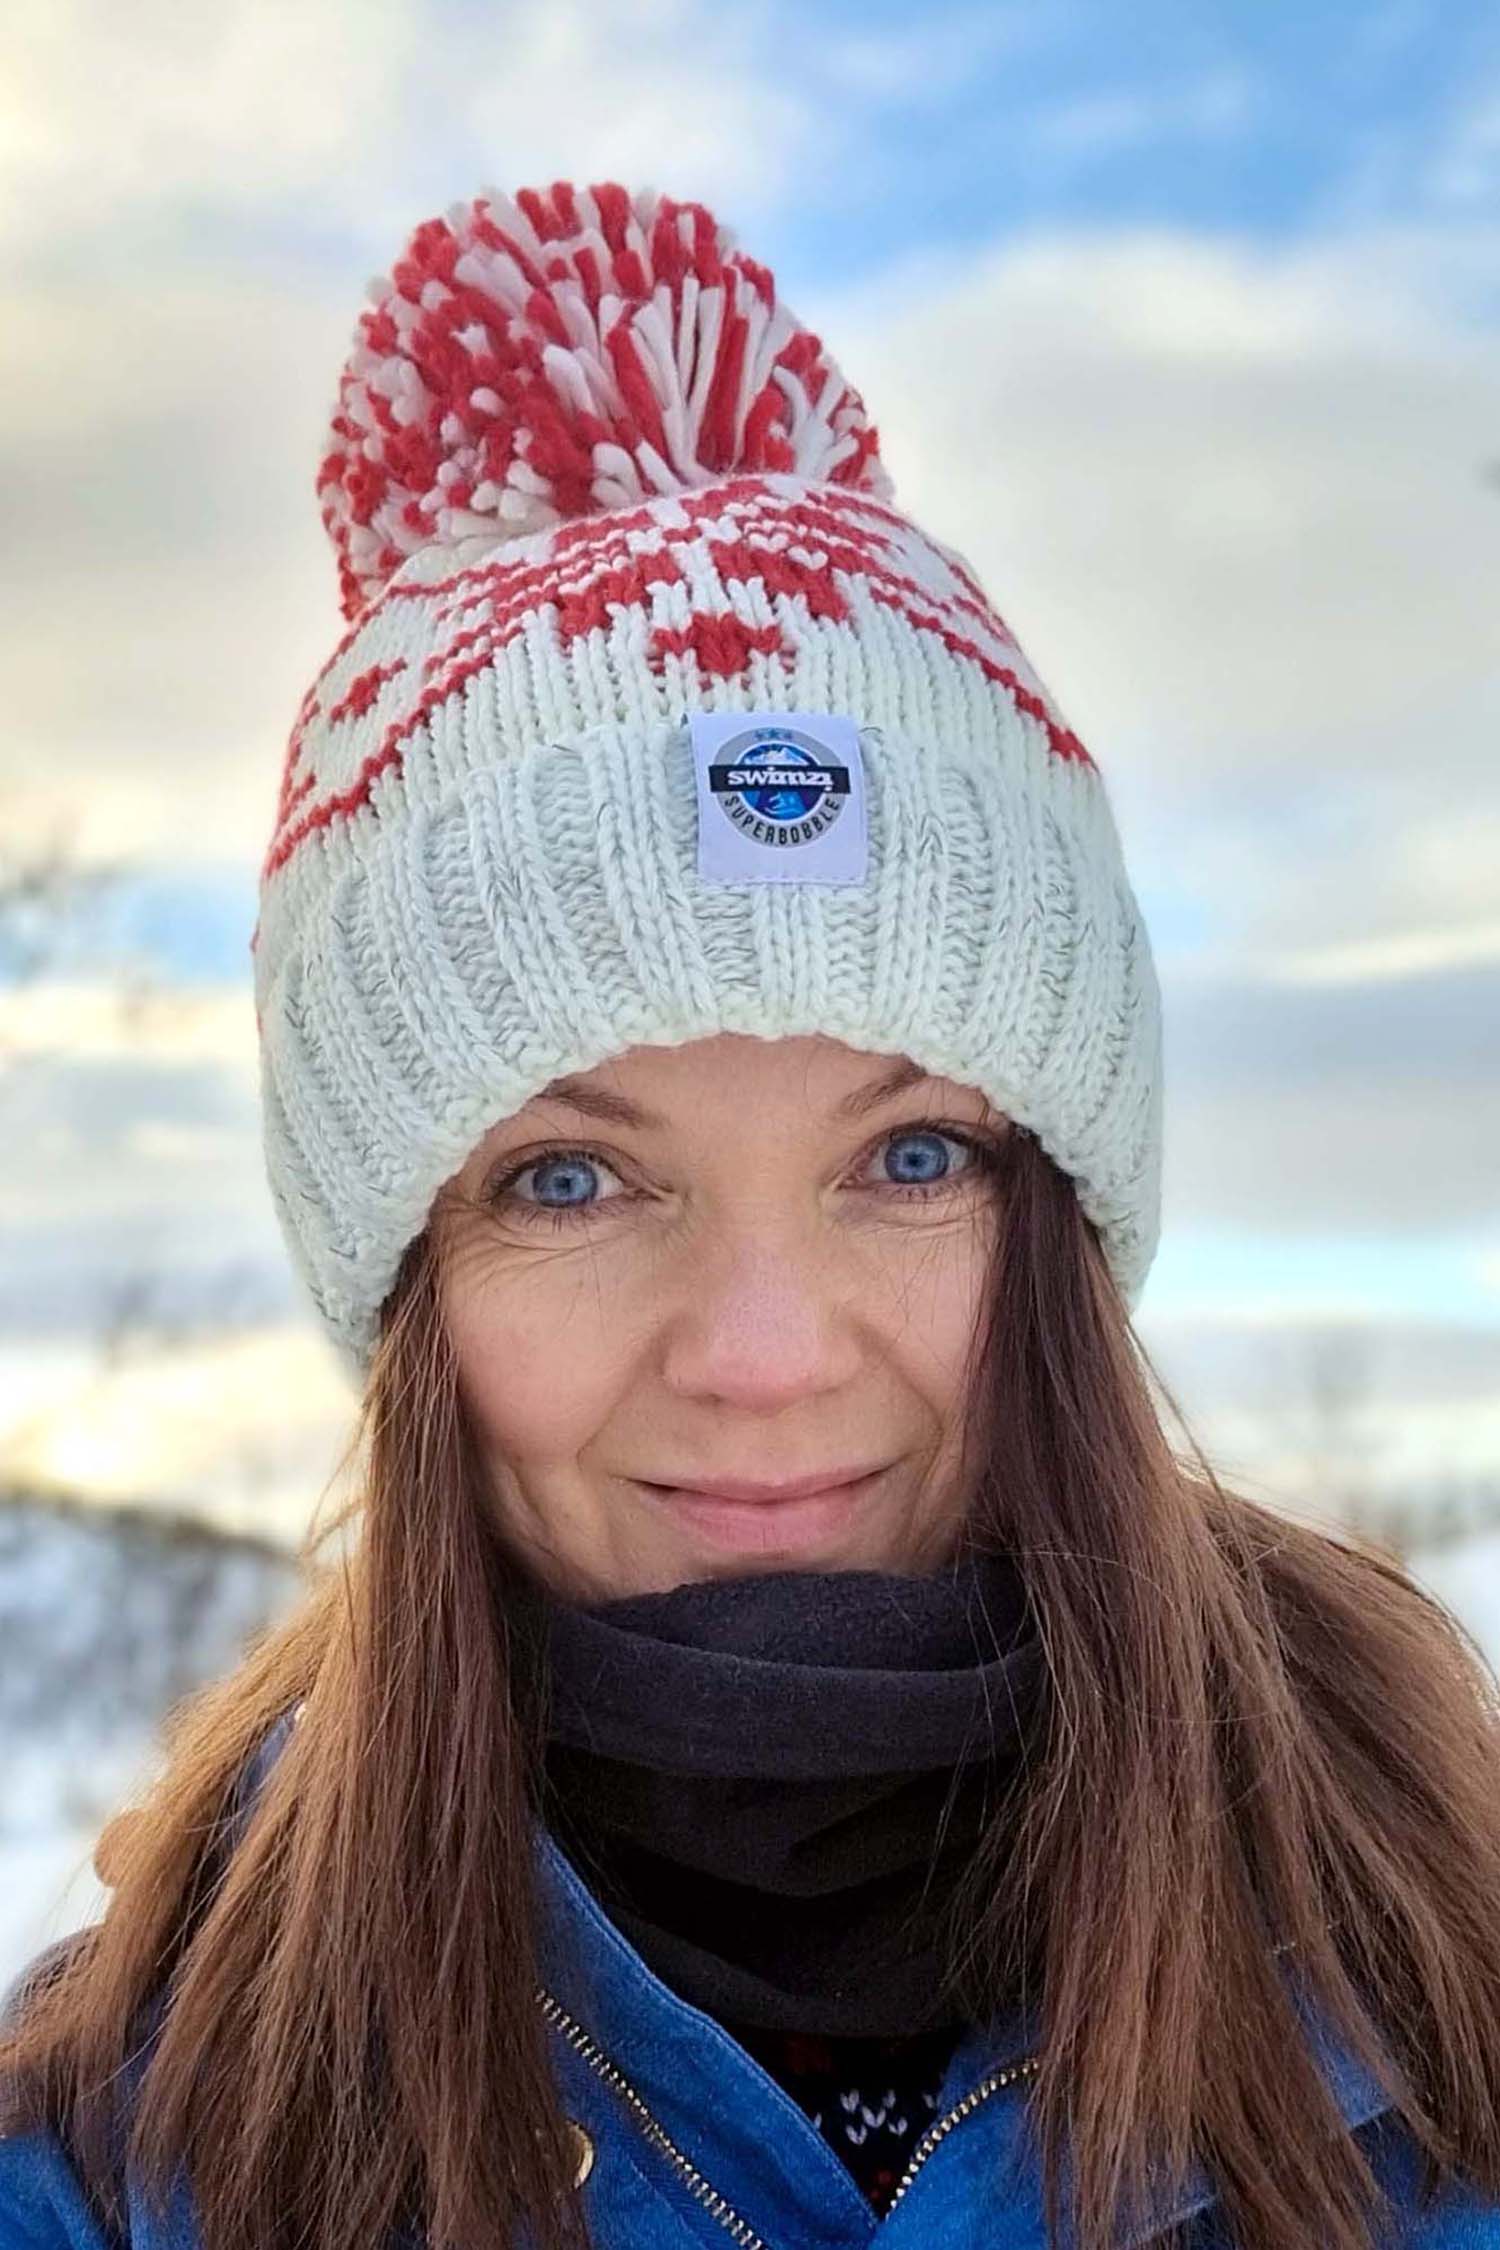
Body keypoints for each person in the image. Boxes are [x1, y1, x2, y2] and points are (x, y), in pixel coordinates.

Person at [2, 176, 1499, 2250]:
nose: (768, 1356)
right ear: (409, 1278)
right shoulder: (127, 2142)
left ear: (1062, 1223)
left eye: (910, 1158)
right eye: (571, 1178)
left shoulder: (1446, 1983)